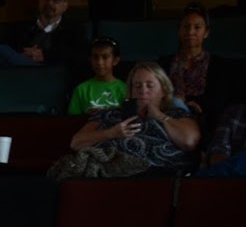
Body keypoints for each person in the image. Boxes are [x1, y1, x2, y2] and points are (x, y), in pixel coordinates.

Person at [50, 61, 199, 179]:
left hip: (158, 177)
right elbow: (76, 142)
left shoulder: (177, 114)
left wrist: (159, 116)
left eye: (150, 85)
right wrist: (111, 133)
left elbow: (189, 142)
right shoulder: (109, 114)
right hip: (110, 174)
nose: (142, 90)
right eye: (137, 85)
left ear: (163, 91)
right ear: (130, 90)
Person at [0, 0, 85, 67]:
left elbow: (80, 56)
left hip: (51, 72)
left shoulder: (74, 29)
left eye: (56, 0)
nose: (50, 3)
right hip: (22, 67)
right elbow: (10, 47)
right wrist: (24, 53)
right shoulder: (22, 26)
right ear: (39, 2)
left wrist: (45, 55)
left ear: (65, 6)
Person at [166, 3, 212, 115]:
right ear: (179, 31)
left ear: (206, 33)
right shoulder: (165, 63)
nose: (190, 32)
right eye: (186, 27)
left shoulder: (218, 66)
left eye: (197, 27)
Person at [67, 38, 126, 116]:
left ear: (115, 60)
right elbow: (72, 121)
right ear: (90, 59)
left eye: (105, 57)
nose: (99, 62)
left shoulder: (125, 89)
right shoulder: (82, 89)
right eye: (95, 57)